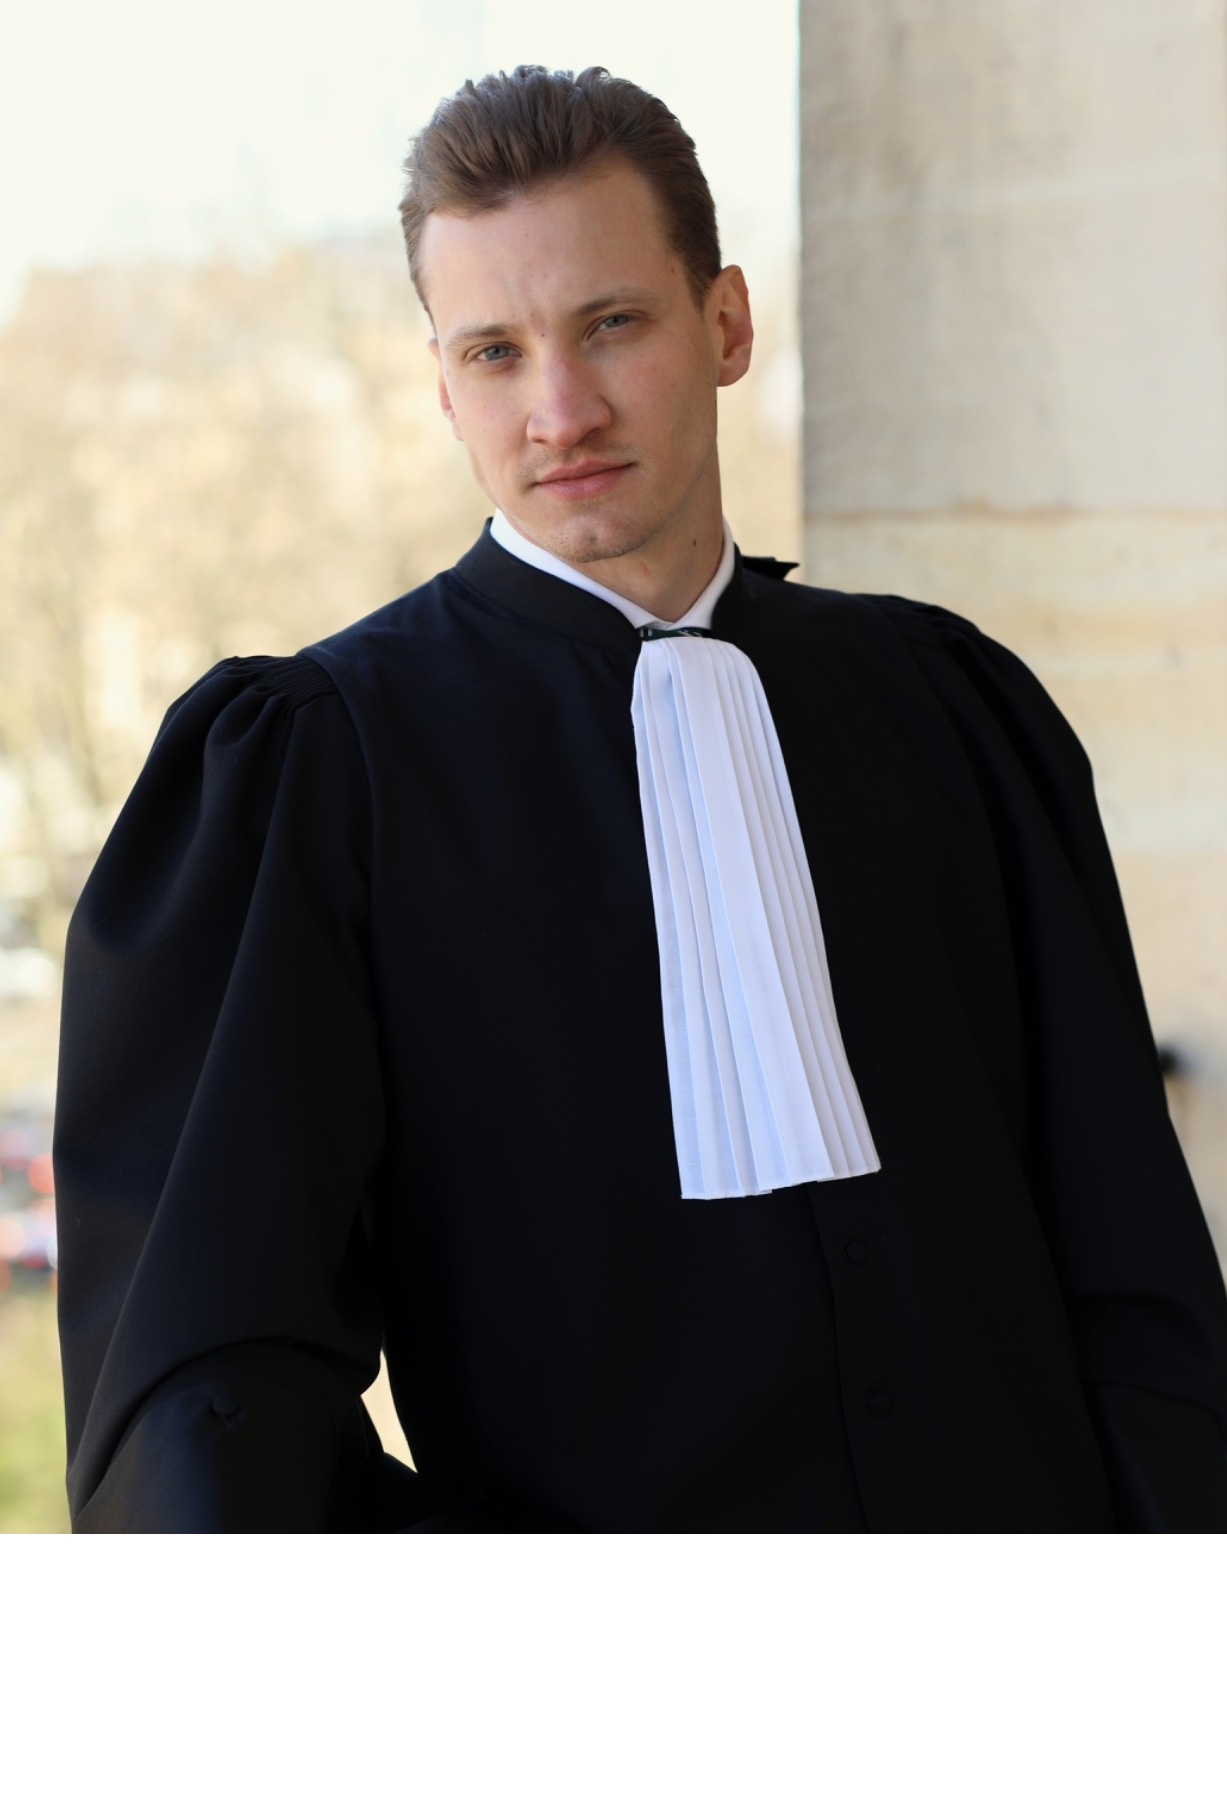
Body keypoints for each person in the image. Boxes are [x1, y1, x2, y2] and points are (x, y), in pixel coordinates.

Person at [55, 65, 1227, 1532]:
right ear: (439, 384)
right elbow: (204, 1394)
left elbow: (1134, 1261)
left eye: (611, 323)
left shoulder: (951, 706)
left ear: (724, 324)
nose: (559, 409)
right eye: (493, 352)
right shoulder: (314, 766)